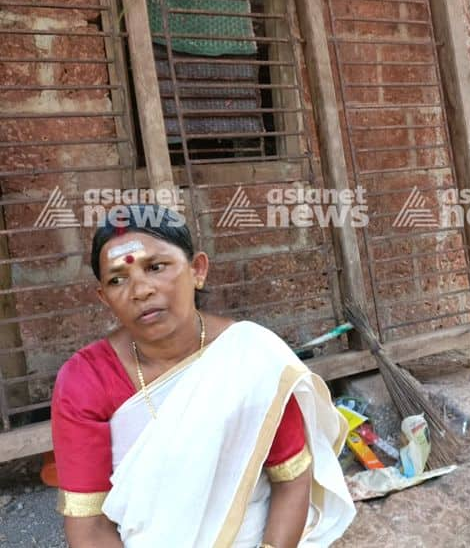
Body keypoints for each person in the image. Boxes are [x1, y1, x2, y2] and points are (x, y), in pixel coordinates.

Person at [51, 204, 355, 547]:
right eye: (117, 279)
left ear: (197, 270)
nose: (140, 290)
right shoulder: (84, 381)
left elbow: (291, 480)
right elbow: (89, 528)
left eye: (156, 267)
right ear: (104, 298)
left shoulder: (250, 356)